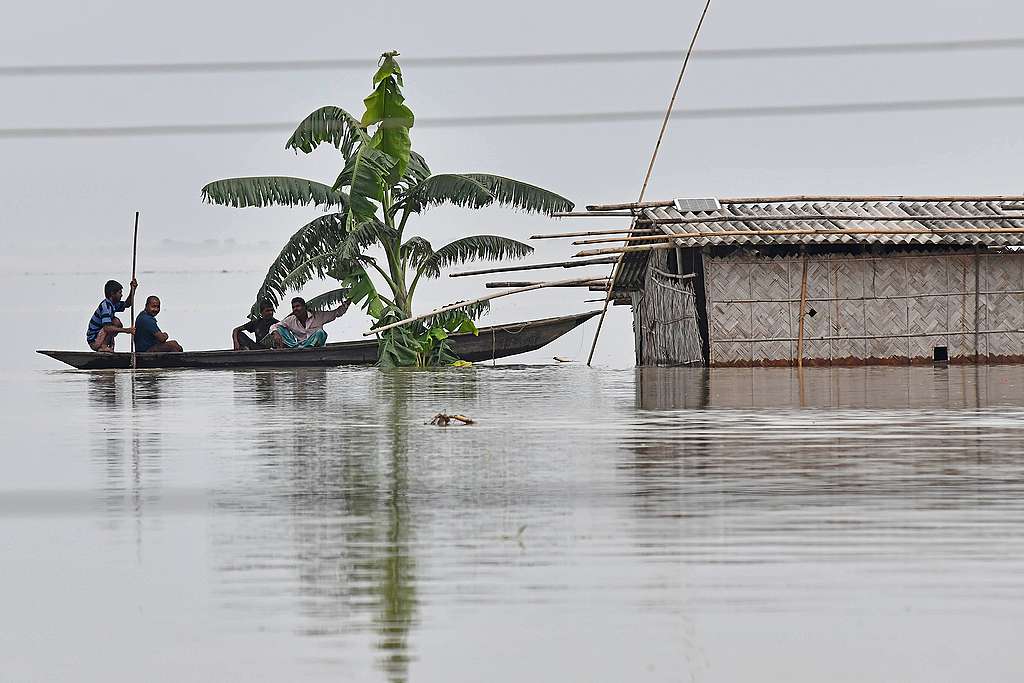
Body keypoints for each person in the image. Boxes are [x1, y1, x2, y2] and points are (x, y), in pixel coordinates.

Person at [269, 297, 349, 349]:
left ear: (304, 307)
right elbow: (274, 326)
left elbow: (336, 313)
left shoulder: (318, 316)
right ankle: (300, 348)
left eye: (298, 306)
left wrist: (347, 303)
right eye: (293, 307)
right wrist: (276, 333)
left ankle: (307, 348)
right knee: (279, 328)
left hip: (316, 346)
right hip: (298, 347)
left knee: (320, 333)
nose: (295, 309)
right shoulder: (291, 320)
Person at [86, 278, 138, 352]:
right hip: (94, 340)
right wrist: (127, 330)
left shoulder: (112, 304)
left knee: (116, 322)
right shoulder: (105, 306)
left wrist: (133, 289)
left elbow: (127, 304)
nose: (121, 295)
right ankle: (103, 346)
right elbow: (107, 328)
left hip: (99, 337)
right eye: (120, 293)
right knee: (115, 322)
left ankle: (105, 345)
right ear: (112, 294)